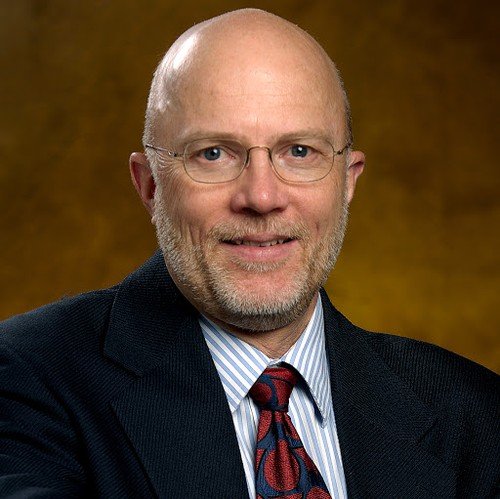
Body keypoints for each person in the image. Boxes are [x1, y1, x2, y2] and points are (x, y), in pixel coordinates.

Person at [0, 8, 498, 499]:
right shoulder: (28, 380)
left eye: (299, 152)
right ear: (150, 185)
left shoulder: (477, 415)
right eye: (213, 153)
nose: (261, 197)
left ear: (347, 180)